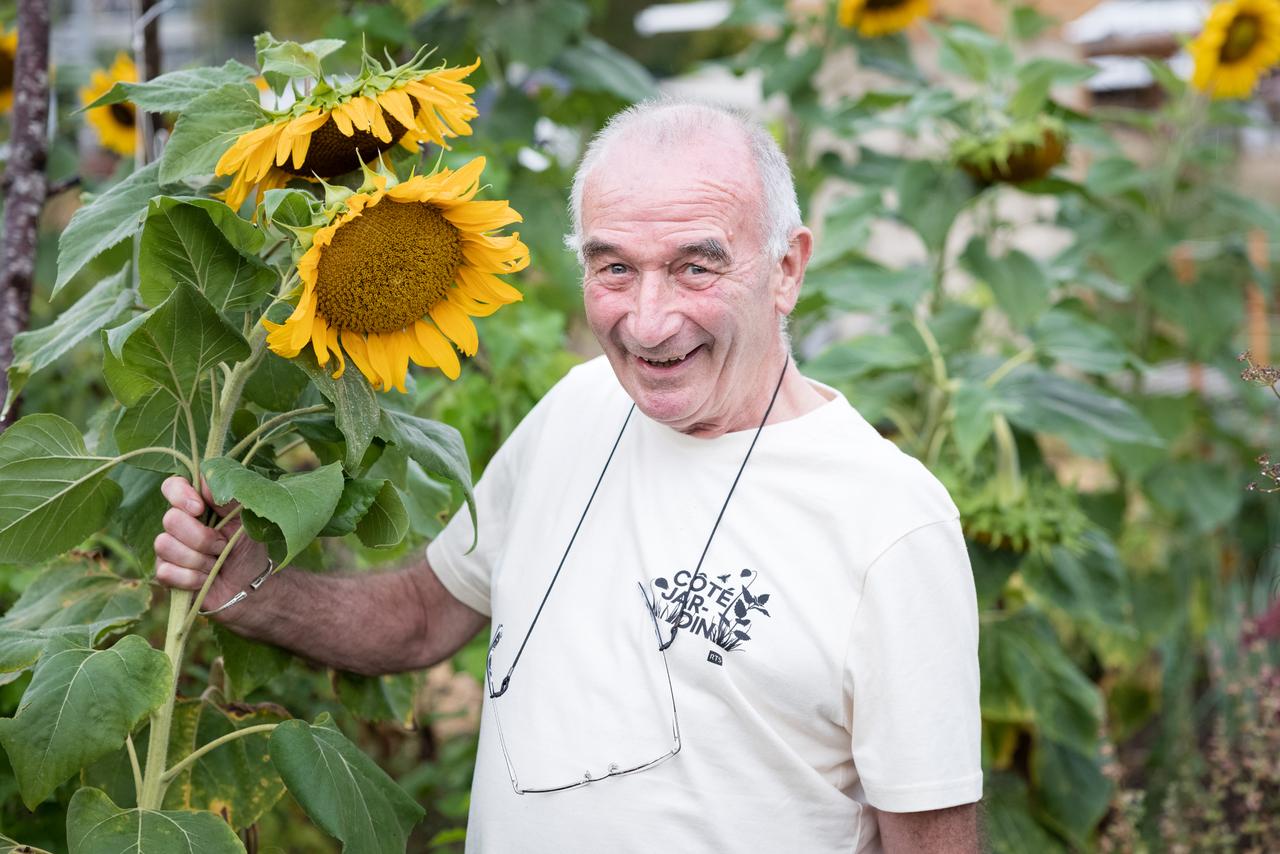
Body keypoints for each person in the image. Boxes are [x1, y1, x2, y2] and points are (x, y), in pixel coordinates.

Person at [156, 100, 982, 853]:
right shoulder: (580, 406)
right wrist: (250, 585)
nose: (649, 322)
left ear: (787, 269)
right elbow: (422, 620)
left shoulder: (888, 521)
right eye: (613, 268)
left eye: (697, 267)